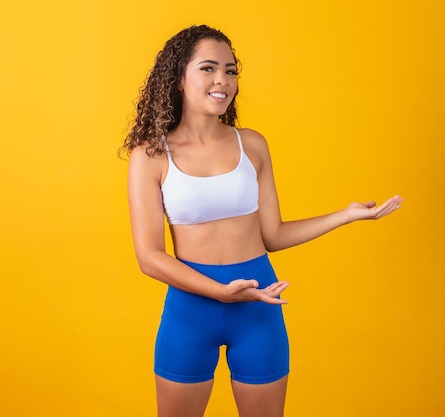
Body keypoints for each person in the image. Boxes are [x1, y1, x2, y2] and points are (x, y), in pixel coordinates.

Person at [119, 24, 403, 417]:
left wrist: (346, 215)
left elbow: (273, 234)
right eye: (208, 68)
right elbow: (149, 256)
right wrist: (219, 292)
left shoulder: (251, 145)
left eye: (231, 71)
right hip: (190, 309)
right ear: (179, 78)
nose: (223, 80)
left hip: (259, 301)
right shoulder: (150, 156)